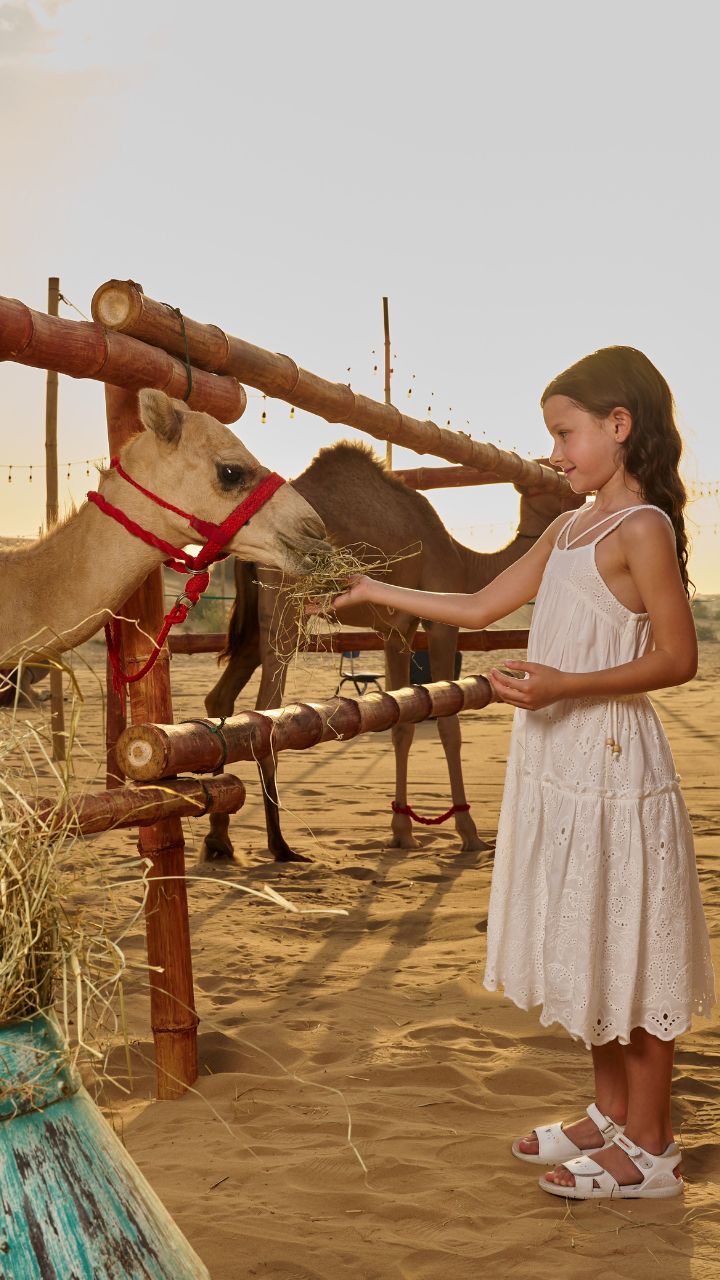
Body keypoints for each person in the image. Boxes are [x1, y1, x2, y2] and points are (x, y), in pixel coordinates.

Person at [325, 346, 715, 1199]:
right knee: (588, 930)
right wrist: (374, 591)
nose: (552, 454)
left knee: (630, 941)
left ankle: (652, 1148)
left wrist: (568, 684)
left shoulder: (641, 527)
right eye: (550, 435)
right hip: (557, 759)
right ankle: (610, 1114)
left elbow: (678, 657)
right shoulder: (571, 526)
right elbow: (478, 603)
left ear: (620, 428)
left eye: (564, 434)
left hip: (611, 756)